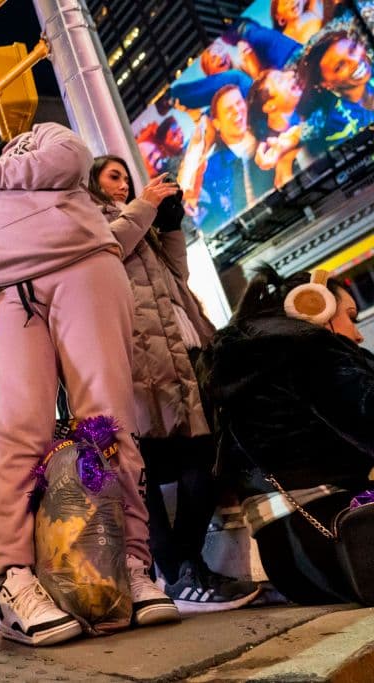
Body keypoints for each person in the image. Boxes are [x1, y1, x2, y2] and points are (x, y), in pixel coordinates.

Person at [0, 96, 179, 648]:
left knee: (106, 419)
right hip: (5, 294)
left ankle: (132, 563)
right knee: (17, 431)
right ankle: (13, 576)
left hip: (82, 264)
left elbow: (68, 164)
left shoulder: (38, 138)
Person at [88, 156, 261, 614]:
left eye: (127, 177)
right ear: (91, 183)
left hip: (183, 356)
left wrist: (171, 226)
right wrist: (144, 207)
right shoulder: (90, 220)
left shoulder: (140, 225)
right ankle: (177, 568)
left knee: (204, 455)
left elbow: (177, 277)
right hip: (135, 362)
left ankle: (183, 566)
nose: (124, 184)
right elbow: (105, 251)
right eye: (113, 176)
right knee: (144, 466)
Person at [197, 265, 372, 604]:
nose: (358, 334)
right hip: (345, 535)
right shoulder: (310, 352)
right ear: (315, 307)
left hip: (292, 564)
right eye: (350, 316)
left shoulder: (240, 366)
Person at [192, 85, 276, 232]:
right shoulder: (209, 171)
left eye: (239, 103)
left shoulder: (269, 133)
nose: (237, 111)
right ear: (217, 124)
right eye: (229, 110)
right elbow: (207, 224)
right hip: (244, 239)